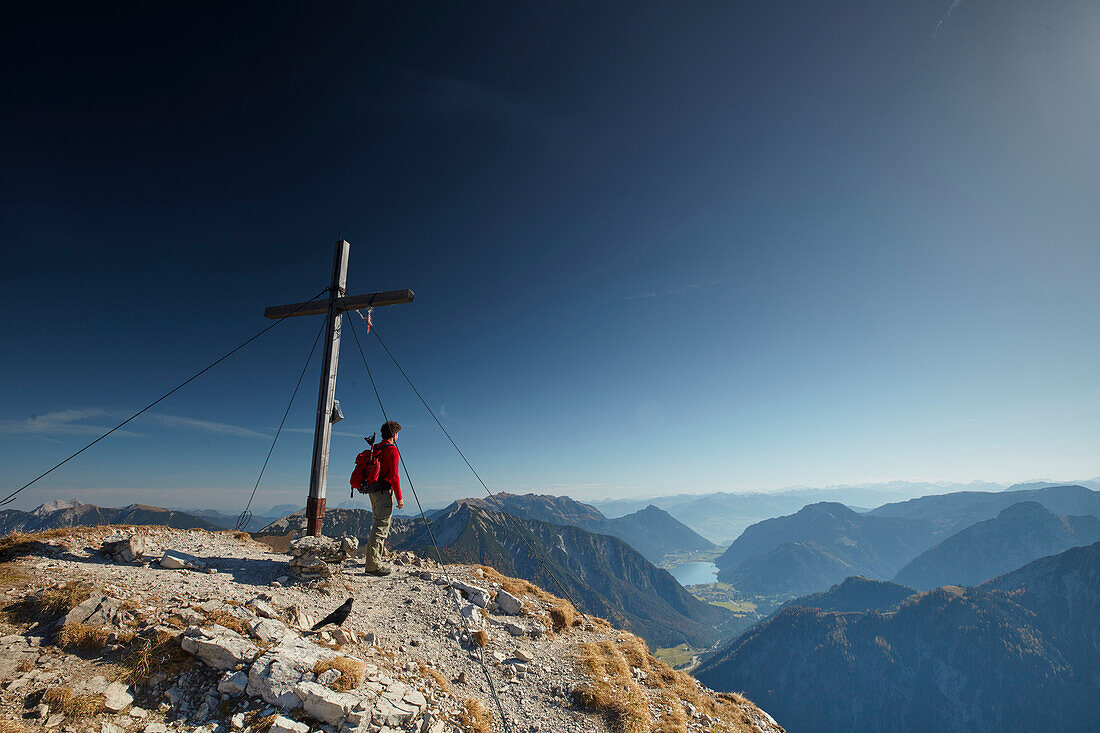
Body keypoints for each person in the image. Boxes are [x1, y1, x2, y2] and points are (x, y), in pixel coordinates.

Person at [363, 420, 403, 576]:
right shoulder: (391, 449)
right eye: (398, 434)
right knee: (381, 527)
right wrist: (399, 498)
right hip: (384, 492)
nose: (398, 436)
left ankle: (373, 561)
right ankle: (373, 566)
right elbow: (394, 475)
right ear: (394, 434)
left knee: (377, 524)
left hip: (373, 491)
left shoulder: (377, 447)